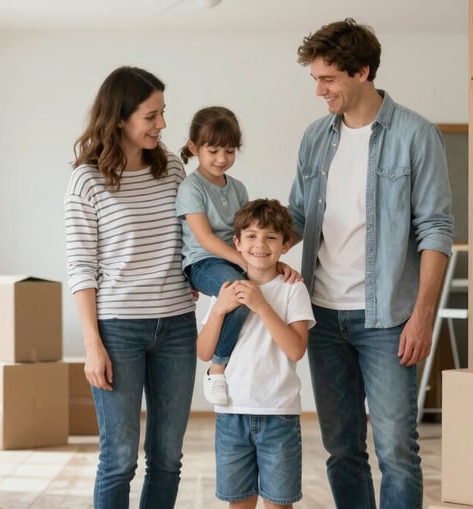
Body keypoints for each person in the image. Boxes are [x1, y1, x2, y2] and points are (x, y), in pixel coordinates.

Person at [287, 19, 454, 509]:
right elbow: (297, 217)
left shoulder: (415, 134)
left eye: (328, 79)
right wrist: (243, 250)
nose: (319, 90)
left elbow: (435, 230)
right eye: (316, 79)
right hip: (322, 315)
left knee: (397, 450)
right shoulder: (315, 138)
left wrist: (422, 316)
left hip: (389, 319)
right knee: (342, 450)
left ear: (361, 71)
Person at [64, 66, 197, 509]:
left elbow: (191, 234)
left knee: (167, 458)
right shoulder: (87, 180)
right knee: (119, 459)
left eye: (163, 113)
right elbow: (81, 266)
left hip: (177, 326)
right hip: (118, 330)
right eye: (151, 116)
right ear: (120, 118)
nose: (162, 124)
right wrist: (92, 345)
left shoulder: (172, 168)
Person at [177, 107, 300, 406]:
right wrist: (244, 262)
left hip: (235, 258)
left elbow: (248, 234)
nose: (222, 158)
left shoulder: (238, 188)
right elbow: (204, 238)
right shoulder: (191, 187)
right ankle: (217, 367)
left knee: (254, 287)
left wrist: (271, 263)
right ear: (194, 147)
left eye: (229, 151)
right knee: (241, 290)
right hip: (203, 262)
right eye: (213, 151)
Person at [197, 198, 314, 509]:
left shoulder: (293, 289)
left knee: (278, 503)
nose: (260, 245)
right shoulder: (225, 290)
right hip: (231, 414)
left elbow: (296, 349)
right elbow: (204, 351)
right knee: (239, 503)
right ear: (237, 242)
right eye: (250, 236)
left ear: (285, 245)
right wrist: (219, 309)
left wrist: (262, 306)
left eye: (270, 237)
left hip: (278, 415)